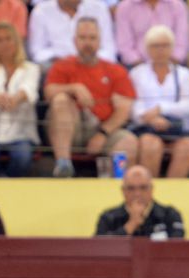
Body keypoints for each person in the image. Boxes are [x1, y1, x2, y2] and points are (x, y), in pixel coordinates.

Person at [44, 17, 138, 177]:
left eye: (92, 38)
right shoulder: (61, 66)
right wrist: (73, 88)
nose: (87, 43)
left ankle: (119, 182)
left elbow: (124, 110)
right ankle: (64, 166)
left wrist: (103, 134)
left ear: (100, 41)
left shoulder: (115, 71)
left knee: (128, 141)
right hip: (70, 128)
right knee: (60, 100)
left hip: (103, 127)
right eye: (83, 38)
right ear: (75, 41)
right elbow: (49, 92)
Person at [128, 25, 189, 177]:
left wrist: (161, 109)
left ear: (172, 48)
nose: (160, 50)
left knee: (187, 146)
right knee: (150, 145)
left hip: (178, 127)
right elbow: (134, 107)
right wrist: (152, 119)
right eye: (155, 46)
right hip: (146, 127)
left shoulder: (184, 74)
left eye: (165, 45)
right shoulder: (137, 73)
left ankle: (173, 194)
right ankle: (148, 193)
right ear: (147, 49)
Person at [0, 21, 40, 177]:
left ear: (17, 41)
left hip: (20, 132)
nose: (4, 44)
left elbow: (28, 89)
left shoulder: (31, 68)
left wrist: (15, 99)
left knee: (23, 159)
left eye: (8, 39)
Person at [95, 164, 185, 237]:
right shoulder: (108, 217)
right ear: (123, 191)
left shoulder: (170, 215)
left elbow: (177, 247)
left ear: (151, 189)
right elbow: (99, 249)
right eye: (131, 188)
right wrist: (131, 225)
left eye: (143, 187)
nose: (137, 193)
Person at [28, 0, 116, 68]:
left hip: (94, 62)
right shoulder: (41, 12)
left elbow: (109, 51)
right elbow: (37, 52)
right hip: (57, 65)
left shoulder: (99, 8)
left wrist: (88, 59)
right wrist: (62, 59)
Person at [115, 0, 189, 68]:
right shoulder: (125, 7)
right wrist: (145, 70)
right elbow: (125, 46)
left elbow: (181, 44)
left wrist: (165, 68)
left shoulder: (177, 5)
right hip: (136, 66)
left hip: (173, 65)